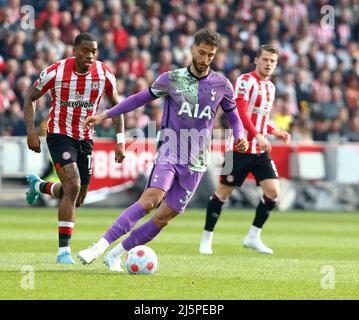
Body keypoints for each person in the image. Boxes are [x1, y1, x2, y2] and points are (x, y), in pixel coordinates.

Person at [77, 29, 249, 271]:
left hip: (196, 163)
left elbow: (235, 119)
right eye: (201, 53)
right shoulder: (172, 79)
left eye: (210, 55)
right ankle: (98, 246)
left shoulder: (222, 85)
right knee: (150, 200)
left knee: (163, 218)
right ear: (192, 49)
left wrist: (240, 136)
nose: (204, 59)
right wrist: (106, 114)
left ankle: (115, 254)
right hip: (170, 152)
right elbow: (139, 99)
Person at [23, 32, 126, 264]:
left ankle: (39, 186)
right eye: (85, 50)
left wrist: (120, 140)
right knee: (73, 184)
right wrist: (31, 131)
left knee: (77, 196)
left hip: (86, 138)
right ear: (74, 50)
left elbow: (116, 107)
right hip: (59, 134)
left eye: (94, 51)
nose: (90, 55)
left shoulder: (104, 75)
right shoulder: (56, 71)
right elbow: (30, 96)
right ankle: (63, 252)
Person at [199, 45, 291, 255]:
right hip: (239, 148)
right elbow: (240, 112)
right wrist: (257, 135)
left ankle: (253, 237)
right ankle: (206, 239)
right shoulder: (245, 81)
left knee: (273, 192)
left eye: (273, 61)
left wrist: (274, 131)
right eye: (265, 59)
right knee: (223, 192)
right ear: (257, 60)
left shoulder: (271, 88)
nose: (269, 64)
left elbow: (261, 119)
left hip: (260, 150)